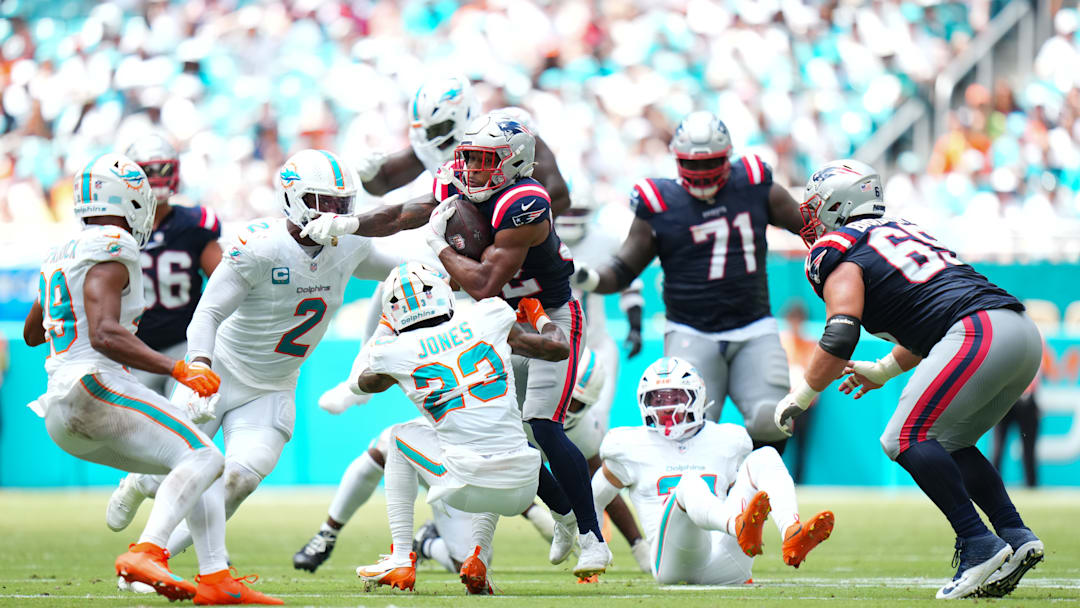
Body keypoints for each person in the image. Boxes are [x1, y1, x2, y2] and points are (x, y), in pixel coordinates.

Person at [300, 111, 613, 580]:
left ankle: (592, 539)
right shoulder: (460, 183)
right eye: (468, 157)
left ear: (514, 163)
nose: (471, 168)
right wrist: (347, 225)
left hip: (546, 314)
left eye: (485, 160)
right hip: (494, 319)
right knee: (506, 433)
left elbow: (486, 282)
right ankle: (564, 517)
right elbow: (399, 212)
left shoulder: (525, 202)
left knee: (544, 428)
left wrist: (439, 245)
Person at [104, 149, 401, 561]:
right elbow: (206, 313)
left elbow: (404, 267)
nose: (335, 214)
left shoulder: (351, 246)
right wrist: (200, 367)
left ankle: (155, 558)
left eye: (342, 204)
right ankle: (137, 483)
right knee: (170, 472)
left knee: (237, 482)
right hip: (222, 371)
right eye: (324, 203)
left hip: (274, 387)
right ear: (294, 199)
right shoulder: (260, 246)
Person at [774, 159, 1045, 599]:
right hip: (1019, 333)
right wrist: (883, 369)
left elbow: (840, 333)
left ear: (839, 205)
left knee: (903, 437)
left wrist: (800, 396)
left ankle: (978, 543)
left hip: (978, 330)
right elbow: (929, 322)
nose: (811, 217)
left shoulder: (836, 249)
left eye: (817, 206)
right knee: (947, 442)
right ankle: (1014, 533)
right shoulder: (902, 230)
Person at [23, 153, 279, 604]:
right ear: (125, 196)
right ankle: (148, 551)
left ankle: (215, 578)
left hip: (59, 411)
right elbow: (104, 333)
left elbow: (31, 332)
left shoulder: (60, 250)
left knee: (194, 464)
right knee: (204, 456)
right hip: (95, 387)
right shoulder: (114, 244)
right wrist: (177, 368)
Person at [571, 111, 805, 453]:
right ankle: (709, 500)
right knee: (686, 428)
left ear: (728, 157)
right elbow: (622, 270)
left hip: (753, 326)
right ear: (677, 161)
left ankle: (755, 491)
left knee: (772, 419)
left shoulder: (754, 184)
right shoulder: (661, 203)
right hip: (691, 331)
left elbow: (808, 225)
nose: (701, 172)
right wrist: (587, 277)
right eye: (692, 164)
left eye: (709, 162)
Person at [352, 266, 568, 594]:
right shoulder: (489, 314)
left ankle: (399, 556)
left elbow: (360, 384)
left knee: (398, 438)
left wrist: (383, 330)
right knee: (489, 444)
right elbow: (557, 347)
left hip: (467, 482)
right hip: (525, 481)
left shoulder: (393, 351)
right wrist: (538, 316)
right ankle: (477, 555)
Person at [592, 357, 834, 585]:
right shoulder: (627, 445)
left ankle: (791, 532)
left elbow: (742, 488)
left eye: (675, 397)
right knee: (690, 484)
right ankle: (739, 526)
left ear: (696, 397)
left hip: (727, 561)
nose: (666, 408)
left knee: (765, 456)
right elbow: (592, 499)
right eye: (657, 400)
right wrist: (590, 549)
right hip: (674, 565)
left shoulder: (727, 439)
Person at [123, 134, 223, 398]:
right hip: (135, 347)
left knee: (184, 417)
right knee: (135, 429)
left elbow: (225, 282)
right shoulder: (118, 227)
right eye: (148, 171)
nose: (157, 177)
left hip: (184, 343)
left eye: (163, 169)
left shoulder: (195, 224)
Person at [778, 300, 817, 484]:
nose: (795, 324)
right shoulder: (782, 342)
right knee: (779, 443)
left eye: (799, 320)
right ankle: (775, 481)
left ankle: (798, 483)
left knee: (801, 446)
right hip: (783, 400)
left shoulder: (810, 344)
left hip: (805, 403)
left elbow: (814, 373)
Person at [992, 378, 1041, 488]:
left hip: (1023, 399)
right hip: (1007, 400)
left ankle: (1031, 487)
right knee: (998, 449)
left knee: (1028, 451)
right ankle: (992, 486)